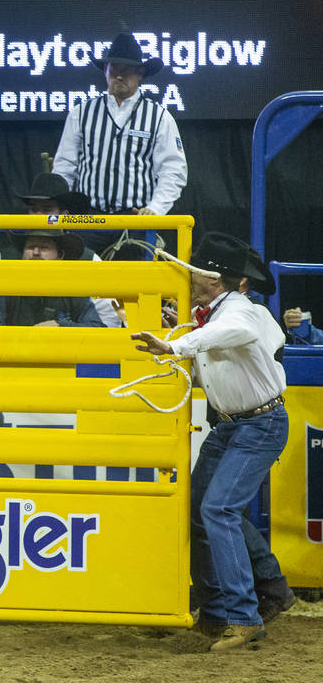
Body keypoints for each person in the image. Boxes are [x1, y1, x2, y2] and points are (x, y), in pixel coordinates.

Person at [131, 232, 288, 651]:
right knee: (206, 508)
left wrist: (175, 344)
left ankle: (242, 614)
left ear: (216, 280)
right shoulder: (218, 314)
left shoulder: (237, 312)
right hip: (236, 424)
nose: (187, 276)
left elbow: (231, 331)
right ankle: (232, 603)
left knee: (216, 508)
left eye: (194, 271)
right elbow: (253, 344)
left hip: (258, 424)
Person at [52, 33, 187, 258]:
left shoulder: (159, 117)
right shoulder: (81, 113)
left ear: (140, 73)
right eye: (113, 68)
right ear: (105, 71)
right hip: (88, 219)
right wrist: (60, 207)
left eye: (127, 69)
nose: (119, 75)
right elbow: (65, 166)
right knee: (85, 287)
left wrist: (155, 209)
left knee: (134, 288)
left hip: (134, 221)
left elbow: (174, 170)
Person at [0, 172, 123, 327]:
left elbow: (108, 322)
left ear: (64, 215)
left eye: (46, 210)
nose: (38, 217)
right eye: (33, 209)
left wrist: (62, 328)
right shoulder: (3, 258)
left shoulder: (89, 261)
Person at [0, 230, 105, 327]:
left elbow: (96, 327)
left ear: (60, 255)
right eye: (30, 247)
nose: (35, 252)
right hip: (15, 354)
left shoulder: (71, 286)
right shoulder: (4, 285)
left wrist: (60, 326)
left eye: (44, 247)